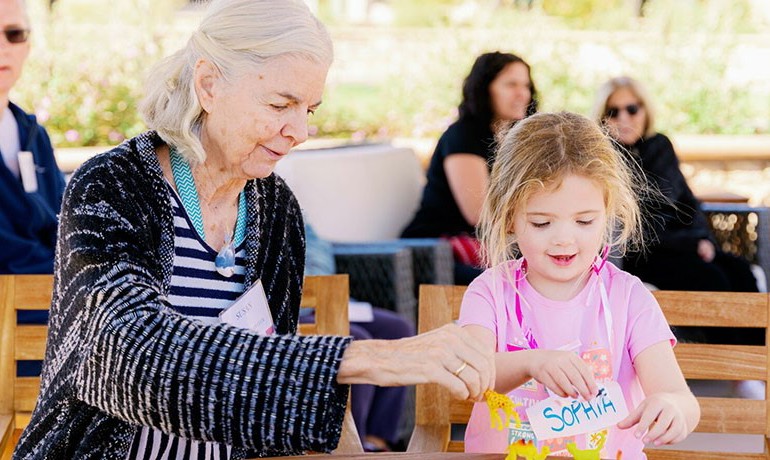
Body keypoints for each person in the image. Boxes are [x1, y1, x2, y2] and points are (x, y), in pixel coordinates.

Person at [13, 1, 495, 458]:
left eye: (309, 110)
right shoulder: (113, 186)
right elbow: (127, 356)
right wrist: (374, 359)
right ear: (208, 85)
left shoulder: (274, 209)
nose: (300, 132)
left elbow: (266, 396)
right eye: (281, 103)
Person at [458, 112, 700, 458]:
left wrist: (672, 408)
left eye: (585, 221)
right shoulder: (490, 292)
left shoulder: (629, 297)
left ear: (608, 212)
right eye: (541, 223)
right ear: (510, 217)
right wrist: (531, 362)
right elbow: (472, 376)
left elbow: (680, 397)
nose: (563, 239)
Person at [593, 76, 760, 347]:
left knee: (740, 270)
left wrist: (703, 239)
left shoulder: (658, 146)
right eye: (613, 112)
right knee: (712, 279)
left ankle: (756, 358)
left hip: (681, 243)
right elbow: (644, 219)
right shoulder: (604, 156)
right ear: (603, 118)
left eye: (632, 109)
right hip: (640, 251)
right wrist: (692, 242)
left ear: (645, 110)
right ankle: (730, 361)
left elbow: (687, 202)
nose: (623, 117)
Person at [401, 51, 538, 285]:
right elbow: (479, 213)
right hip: (437, 252)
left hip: (483, 248)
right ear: (485, 89)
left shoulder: (514, 140)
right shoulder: (462, 136)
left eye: (526, 85)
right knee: (525, 281)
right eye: (511, 84)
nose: (522, 93)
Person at [303, 221, 414, 452]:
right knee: (355, 342)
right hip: (293, 310)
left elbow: (318, 249)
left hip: (326, 299)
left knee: (397, 329)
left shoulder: (284, 205)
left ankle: (378, 440)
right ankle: (354, 445)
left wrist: (316, 279)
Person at [0, 0, 65, 275]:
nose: (2, 47)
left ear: (27, 45)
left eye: (14, 34)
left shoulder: (33, 135)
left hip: (53, 306)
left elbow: (66, 228)